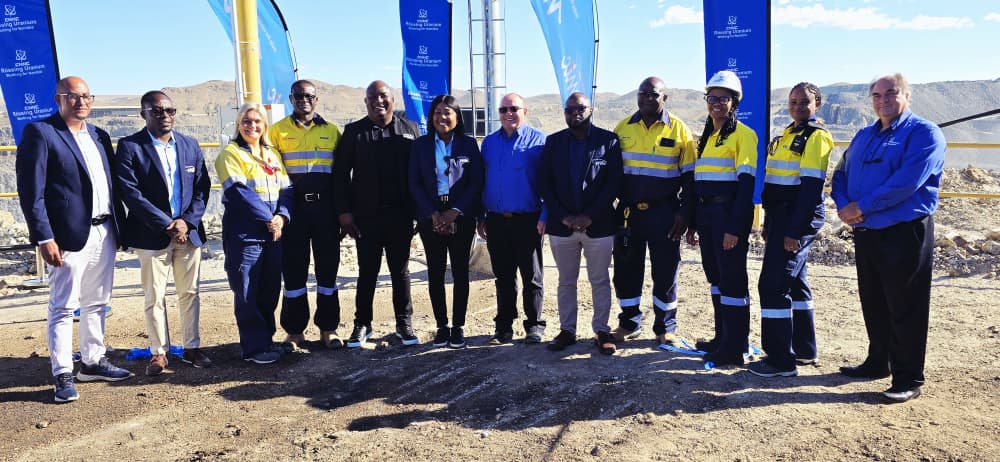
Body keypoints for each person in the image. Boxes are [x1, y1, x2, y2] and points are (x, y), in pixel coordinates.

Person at [16, 76, 133, 402]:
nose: (81, 102)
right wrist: (44, 238)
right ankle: (62, 372)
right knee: (64, 306)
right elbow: (31, 193)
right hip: (66, 236)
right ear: (58, 99)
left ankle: (93, 361)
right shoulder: (41, 133)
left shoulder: (99, 135)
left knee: (97, 302)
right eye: (73, 96)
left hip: (104, 231)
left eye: (86, 96)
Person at [831, 73, 945, 403]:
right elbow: (840, 174)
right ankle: (877, 361)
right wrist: (843, 206)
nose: (882, 100)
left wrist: (861, 206)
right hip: (866, 231)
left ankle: (908, 377)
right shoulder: (864, 135)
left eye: (890, 93)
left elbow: (906, 182)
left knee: (905, 304)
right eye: (876, 95)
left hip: (903, 231)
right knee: (875, 300)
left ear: (906, 96)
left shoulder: (924, 134)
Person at [115, 91, 213, 376]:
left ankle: (192, 347)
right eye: (157, 111)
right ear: (143, 114)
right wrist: (167, 224)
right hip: (151, 235)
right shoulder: (130, 147)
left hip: (188, 234)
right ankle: (159, 352)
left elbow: (202, 188)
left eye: (169, 110)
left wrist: (186, 222)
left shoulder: (189, 144)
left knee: (190, 292)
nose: (165, 116)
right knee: (154, 295)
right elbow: (130, 193)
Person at [748, 82, 833, 378]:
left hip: (797, 219)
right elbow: (775, 183)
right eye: (793, 101)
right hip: (781, 217)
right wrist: (770, 223)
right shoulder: (786, 135)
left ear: (817, 104)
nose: (797, 107)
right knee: (797, 283)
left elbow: (810, 189)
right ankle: (804, 349)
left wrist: (794, 232)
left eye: (804, 102)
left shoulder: (816, 137)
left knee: (773, 285)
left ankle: (779, 360)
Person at [333, 81, 422, 348]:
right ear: (366, 102)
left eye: (383, 96)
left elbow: (419, 175)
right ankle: (363, 324)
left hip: (401, 216)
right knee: (367, 272)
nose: (378, 101)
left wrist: (419, 213)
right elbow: (340, 177)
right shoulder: (353, 132)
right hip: (366, 218)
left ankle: (404, 323)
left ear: (392, 99)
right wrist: (345, 214)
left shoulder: (410, 130)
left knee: (400, 272)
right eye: (372, 97)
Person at [610, 77, 696, 347]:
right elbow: (612, 176)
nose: (648, 98)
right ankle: (629, 322)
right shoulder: (623, 128)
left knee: (666, 270)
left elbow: (690, 180)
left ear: (664, 98)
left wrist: (684, 214)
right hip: (629, 215)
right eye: (643, 93)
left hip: (665, 214)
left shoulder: (680, 131)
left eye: (654, 94)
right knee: (626, 268)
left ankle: (665, 326)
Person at [539, 92, 624, 354]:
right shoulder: (553, 143)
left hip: (597, 225)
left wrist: (590, 215)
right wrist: (564, 216)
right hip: (561, 225)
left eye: (580, 108)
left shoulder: (608, 141)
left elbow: (614, 183)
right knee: (566, 281)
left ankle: (601, 329)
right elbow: (545, 183)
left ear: (591, 109)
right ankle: (567, 330)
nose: (574, 113)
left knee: (599, 280)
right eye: (569, 109)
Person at [687, 70, 758, 367]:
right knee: (716, 280)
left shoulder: (744, 135)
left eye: (723, 98)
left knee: (732, 282)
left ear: (734, 102)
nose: (716, 103)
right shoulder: (708, 137)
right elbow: (698, 182)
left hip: (727, 217)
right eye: (712, 98)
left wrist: (735, 228)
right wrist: (693, 223)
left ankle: (736, 346)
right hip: (706, 217)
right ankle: (722, 337)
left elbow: (746, 188)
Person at [267, 80, 345, 350]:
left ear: (317, 99)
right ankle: (294, 331)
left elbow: (342, 176)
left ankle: (329, 328)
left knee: (327, 272)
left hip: (325, 212)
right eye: (298, 96)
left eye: (309, 96)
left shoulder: (332, 131)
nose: (304, 100)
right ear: (291, 98)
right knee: (293, 272)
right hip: (294, 212)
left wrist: (342, 213)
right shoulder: (276, 132)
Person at [216, 102, 293, 364]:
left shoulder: (271, 154)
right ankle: (253, 348)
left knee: (270, 289)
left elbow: (287, 189)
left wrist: (282, 217)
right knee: (247, 291)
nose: (252, 126)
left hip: (273, 233)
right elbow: (239, 192)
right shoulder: (230, 154)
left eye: (257, 121)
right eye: (247, 121)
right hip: (246, 234)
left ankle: (267, 339)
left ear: (265, 125)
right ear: (238, 125)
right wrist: (268, 219)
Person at [409, 95, 484, 348]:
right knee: (436, 272)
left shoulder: (469, 144)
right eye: (437, 112)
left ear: (457, 117)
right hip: (430, 215)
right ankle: (442, 325)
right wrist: (433, 213)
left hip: (461, 215)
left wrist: (455, 211)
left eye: (448, 112)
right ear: (431, 117)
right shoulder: (420, 146)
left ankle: (458, 326)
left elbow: (476, 181)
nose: (442, 117)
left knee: (461, 272)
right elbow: (414, 182)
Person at [478, 93, 548, 345]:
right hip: (496, 220)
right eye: (503, 109)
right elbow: (481, 180)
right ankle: (504, 327)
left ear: (525, 111)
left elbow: (549, 182)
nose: (508, 113)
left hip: (528, 220)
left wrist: (545, 214)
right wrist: (481, 216)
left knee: (531, 276)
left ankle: (534, 326)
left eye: (514, 108)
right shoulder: (489, 143)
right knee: (504, 277)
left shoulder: (539, 142)